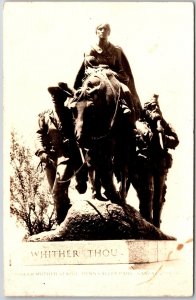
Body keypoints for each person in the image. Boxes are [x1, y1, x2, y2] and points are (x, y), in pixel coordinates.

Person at [35, 86, 88, 225]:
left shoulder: (72, 114)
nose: (53, 97)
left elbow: (82, 100)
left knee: (58, 189)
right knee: (57, 195)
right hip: (50, 158)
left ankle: (60, 223)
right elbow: (39, 135)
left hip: (66, 156)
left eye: (57, 95)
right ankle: (64, 221)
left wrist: (70, 91)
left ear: (64, 98)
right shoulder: (45, 115)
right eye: (52, 95)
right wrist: (41, 151)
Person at [74, 23, 142, 121]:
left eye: (106, 29)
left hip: (113, 77)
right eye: (100, 29)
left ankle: (130, 121)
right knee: (82, 94)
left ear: (109, 32)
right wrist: (103, 70)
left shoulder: (116, 50)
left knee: (126, 90)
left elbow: (121, 69)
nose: (103, 31)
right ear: (96, 32)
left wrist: (114, 73)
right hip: (95, 77)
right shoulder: (91, 49)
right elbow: (90, 66)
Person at [130, 94, 179, 228]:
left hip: (161, 165)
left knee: (159, 197)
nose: (153, 110)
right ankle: (147, 225)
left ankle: (156, 226)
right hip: (145, 164)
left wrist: (163, 135)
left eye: (155, 107)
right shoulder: (139, 123)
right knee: (147, 195)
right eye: (150, 107)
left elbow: (175, 140)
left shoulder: (164, 124)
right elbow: (141, 140)